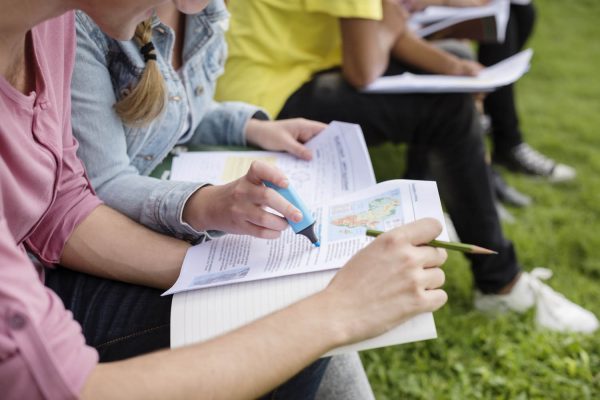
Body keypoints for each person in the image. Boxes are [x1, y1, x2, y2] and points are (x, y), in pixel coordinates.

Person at [0, 0, 451, 398]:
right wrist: (333, 312)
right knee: (291, 322)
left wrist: (223, 274)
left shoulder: (47, 28)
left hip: (60, 270)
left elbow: (63, 202)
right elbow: (63, 386)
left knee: (285, 303)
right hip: (53, 295)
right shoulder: (79, 24)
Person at [215, 0, 598, 333]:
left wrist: (456, 67)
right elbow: (364, 67)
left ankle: (425, 219)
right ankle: (501, 285)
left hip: (284, 74)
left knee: (453, 73)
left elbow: (386, 31)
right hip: (265, 104)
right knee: (444, 108)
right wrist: (395, 28)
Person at [67, 0, 374, 396]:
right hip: (101, 241)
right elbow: (100, 182)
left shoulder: (203, 10)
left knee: (309, 303)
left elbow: (179, 107)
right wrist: (205, 204)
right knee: (293, 314)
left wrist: (252, 127)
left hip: (144, 216)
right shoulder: (85, 23)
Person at [411, 0, 575, 182]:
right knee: (487, 31)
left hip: (412, 16)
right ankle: (503, 141)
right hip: (407, 21)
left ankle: (498, 136)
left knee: (518, 11)